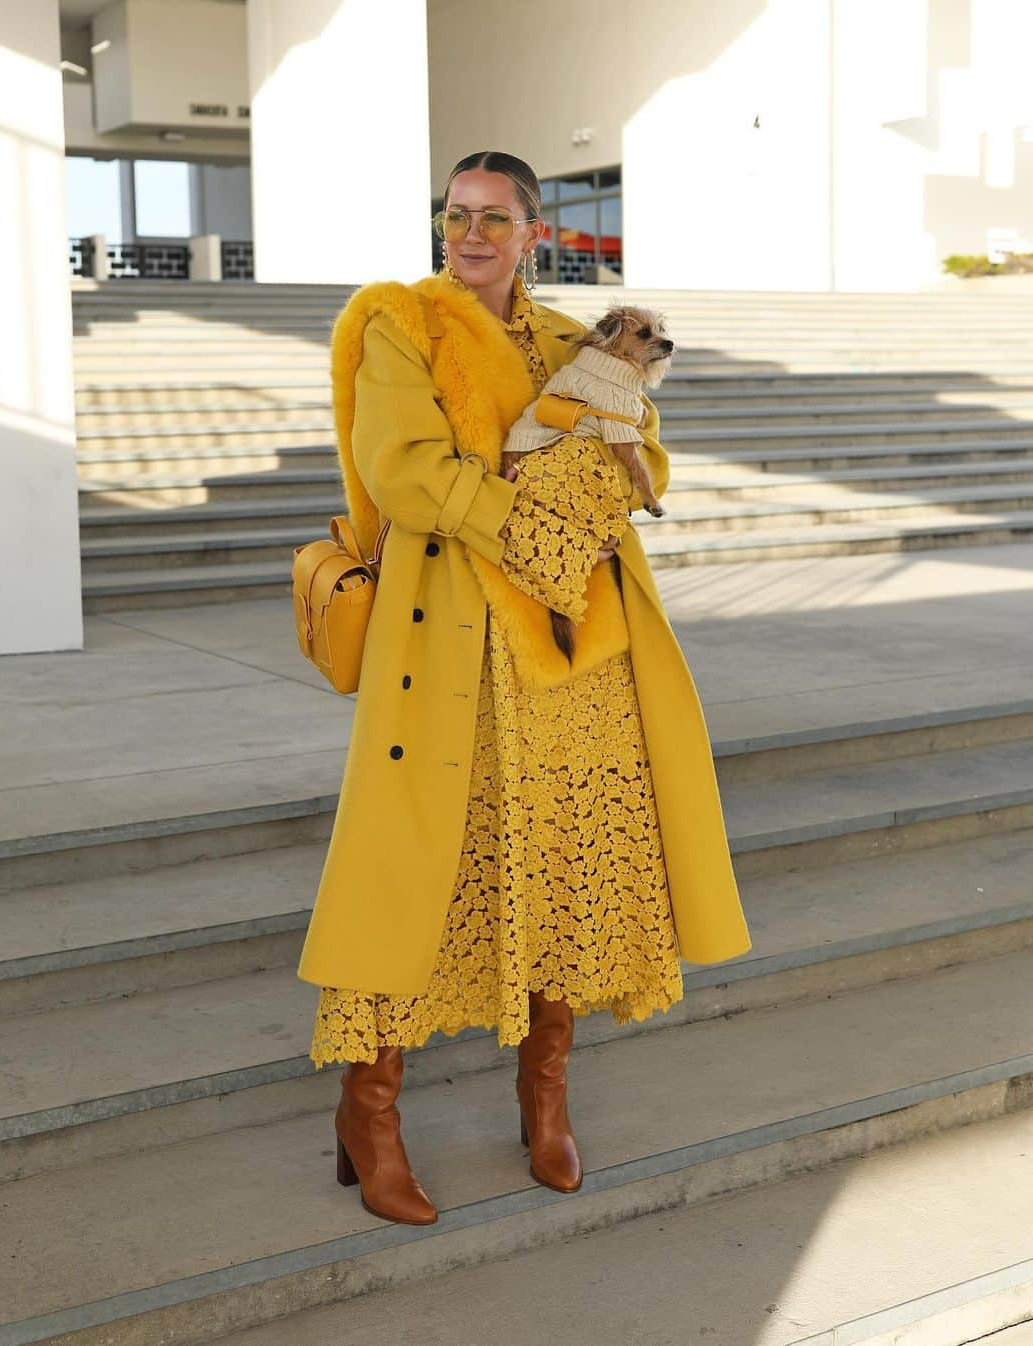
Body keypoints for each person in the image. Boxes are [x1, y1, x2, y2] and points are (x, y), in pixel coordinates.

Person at [295, 151, 752, 1227]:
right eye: (456, 214)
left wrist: (587, 472)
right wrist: (535, 523)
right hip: (450, 654)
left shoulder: (568, 342)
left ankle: (544, 1100)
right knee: (413, 879)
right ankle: (372, 1114)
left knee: (561, 867)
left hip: (579, 658)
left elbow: (647, 456)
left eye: (493, 217)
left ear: (532, 231)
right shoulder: (402, 326)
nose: (471, 233)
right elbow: (405, 470)